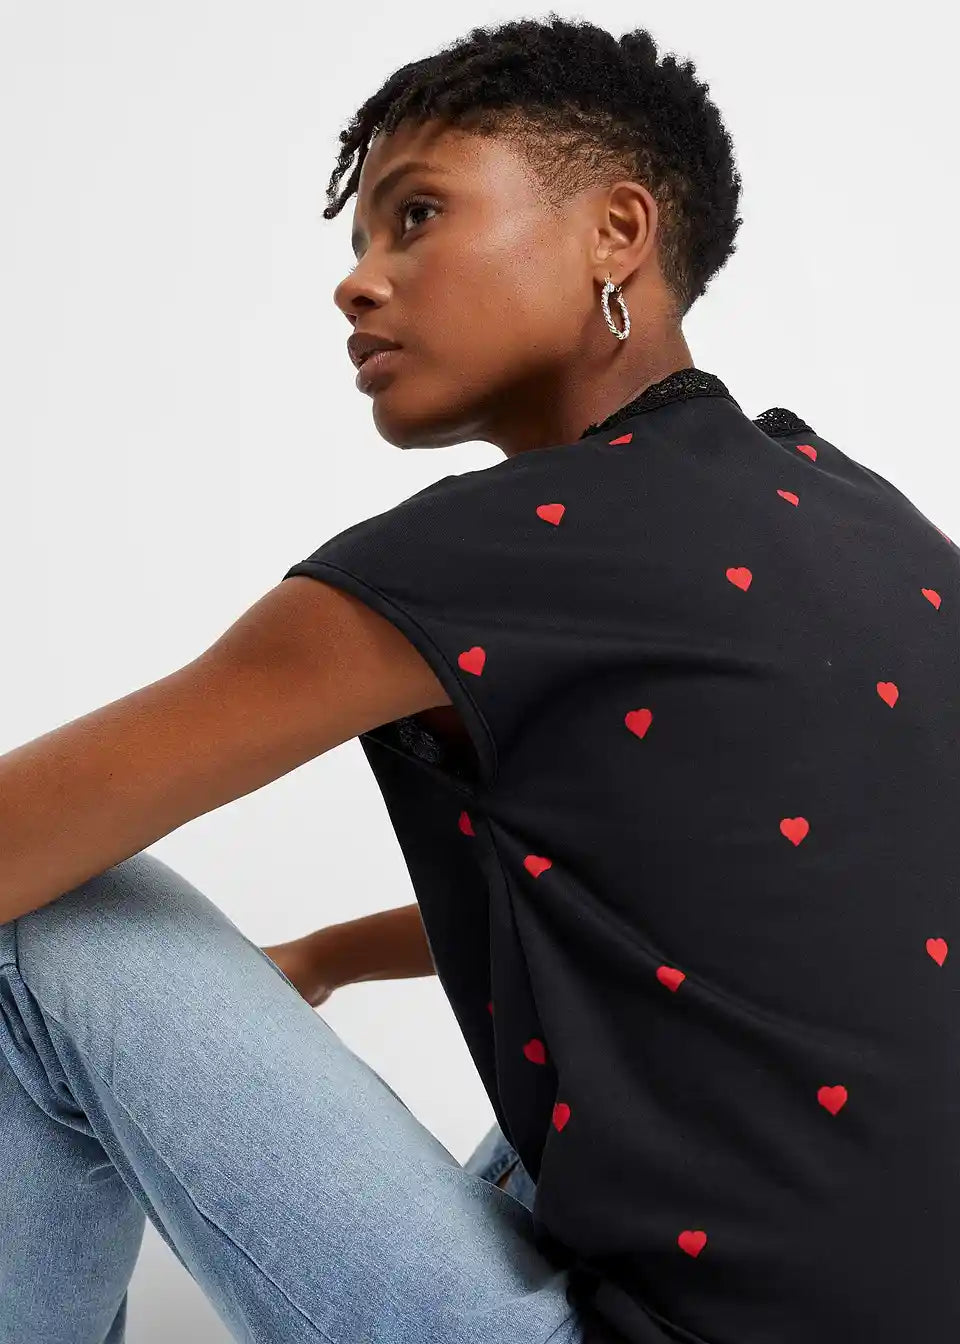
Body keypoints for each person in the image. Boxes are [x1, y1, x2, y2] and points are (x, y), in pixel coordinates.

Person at [0, 13, 956, 1344]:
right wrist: (329, 956)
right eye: (359, 244)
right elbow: (711, 882)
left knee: (48, 926)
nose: (358, 285)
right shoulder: (866, 516)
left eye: (416, 216)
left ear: (618, 232)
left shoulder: (478, 558)